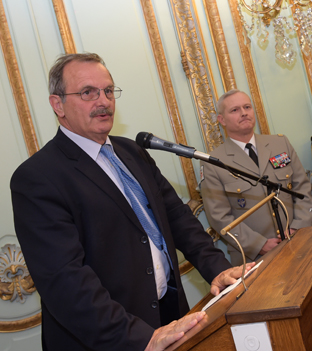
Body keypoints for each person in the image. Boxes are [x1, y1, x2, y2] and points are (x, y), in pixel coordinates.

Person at [10, 53, 251, 351]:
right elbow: (65, 280)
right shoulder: (37, 177)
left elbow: (177, 217)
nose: (104, 101)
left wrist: (217, 267)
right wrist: (139, 337)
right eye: (88, 92)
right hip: (109, 337)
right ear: (57, 104)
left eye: (109, 91)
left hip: (170, 314)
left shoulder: (132, 151)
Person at [200, 90, 312, 266]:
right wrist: (258, 245)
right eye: (235, 110)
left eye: (247, 107)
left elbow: (302, 188)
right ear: (221, 120)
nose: (244, 113)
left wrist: (299, 227)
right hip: (255, 259)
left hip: (299, 242)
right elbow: (220, 217)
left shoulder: (280, 143)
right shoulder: (214, 162)